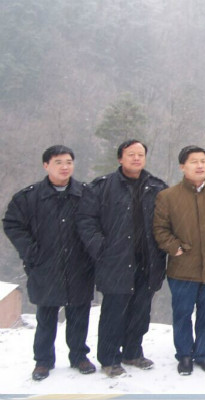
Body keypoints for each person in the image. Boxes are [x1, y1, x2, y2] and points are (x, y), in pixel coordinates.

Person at [3, 145, 96, 381]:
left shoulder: (87, 194)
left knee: (79, 316)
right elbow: (12, 224)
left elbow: (100, 224)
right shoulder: (29, 197)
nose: (65, 167)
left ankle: (79, 356)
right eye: (58, 162)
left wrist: (94, 252)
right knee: (45, 318)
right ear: (46, 165)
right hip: (45, 266)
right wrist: (31, 252)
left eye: (69, 162)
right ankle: (43, 361)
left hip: (79, 265)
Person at [77, 139, 168, 378]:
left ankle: (132, 352)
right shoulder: (102, 187)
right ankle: (109, 358)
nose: (136, 158)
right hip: (115, 260)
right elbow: (86, 221)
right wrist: (101, 248)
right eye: (131, 154)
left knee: (141, 311)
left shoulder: (157, 187)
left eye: (140, 154)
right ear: (120, 158)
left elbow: (168, 221)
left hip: (148, 261)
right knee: (113, 312)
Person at [153, 145, 205, 376]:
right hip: (182, 267)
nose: (200, 166)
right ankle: (184, 355)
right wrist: (174, 247)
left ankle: (203, 353)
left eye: (203, 161)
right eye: (194, 161)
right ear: (182, 166)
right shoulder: (168, 196)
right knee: (182, 313)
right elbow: (160, 228)